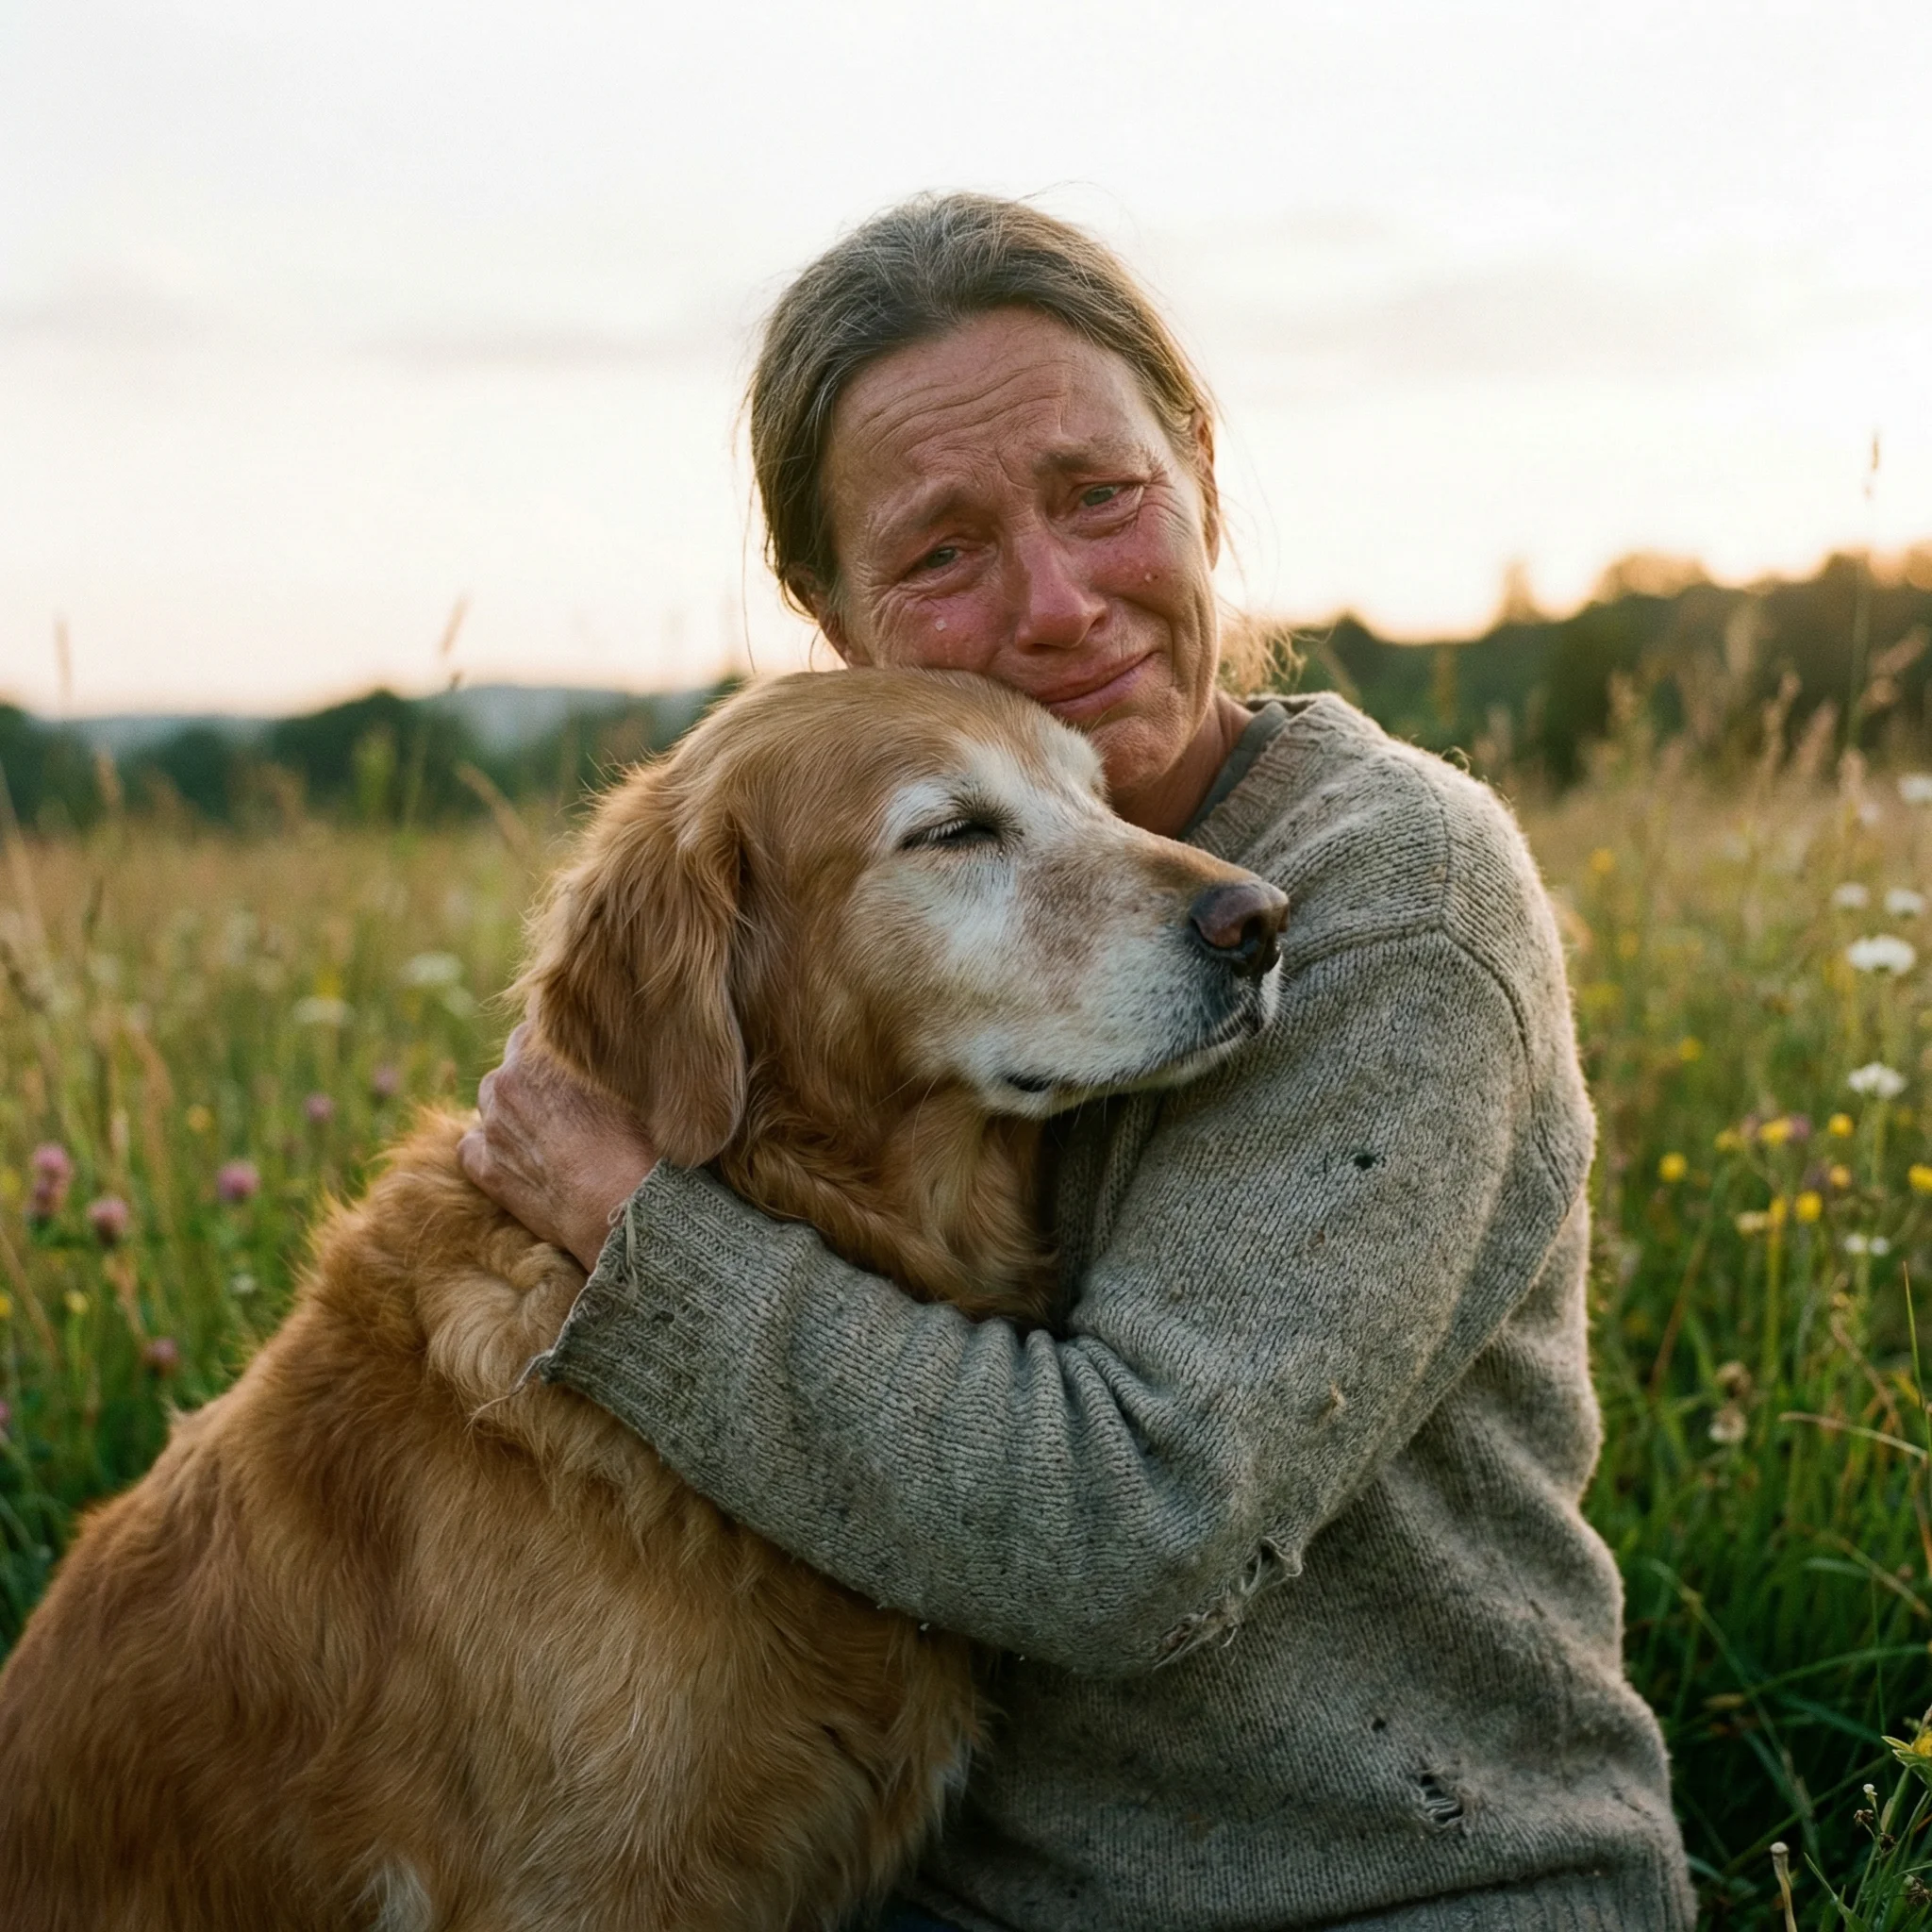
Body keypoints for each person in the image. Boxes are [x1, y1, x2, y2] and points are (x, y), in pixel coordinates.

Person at [458, 192, 1694, 1931]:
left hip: (1407, 1894)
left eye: (1100, 494)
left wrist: (638, 1247)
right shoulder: (817, 929)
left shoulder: (1394, 901)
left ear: (1199, 473)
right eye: (942, 552)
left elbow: (1136, 1532)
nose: (1057, 604)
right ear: (834, 610)